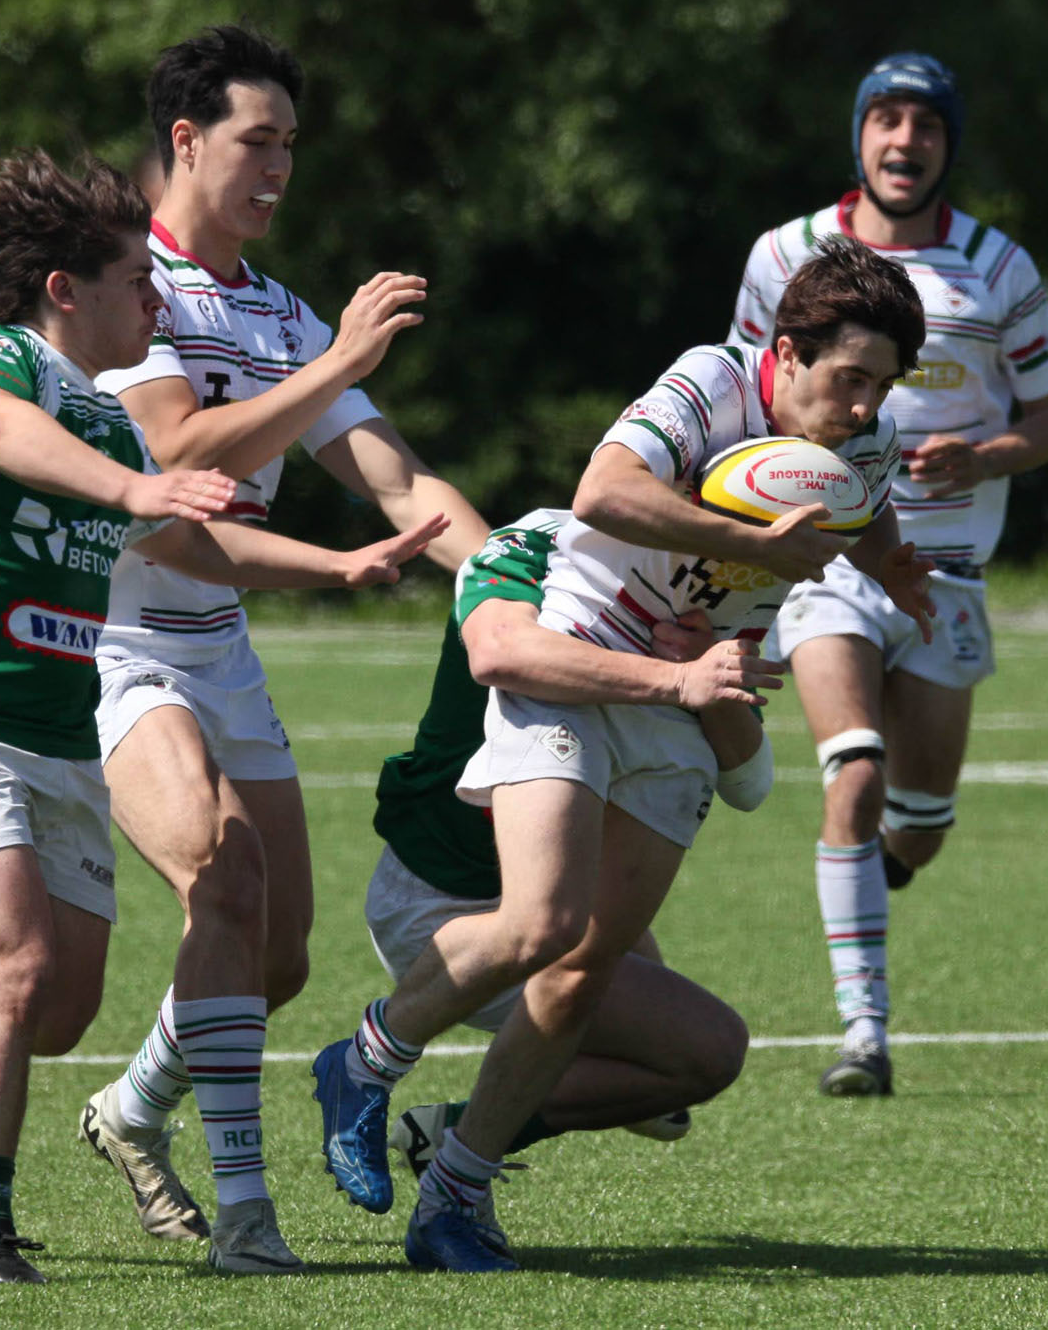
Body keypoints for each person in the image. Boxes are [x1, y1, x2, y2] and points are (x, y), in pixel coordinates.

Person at [0, 149, 443, 1284]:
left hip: (58, 741)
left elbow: (191, 544)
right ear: (64, 291)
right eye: (134, 282)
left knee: (56, 1007)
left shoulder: (112, 430)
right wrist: (132, 486)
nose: (157, 302)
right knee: (16, 963)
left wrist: (339, 566)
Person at [316, 236, 932, 1272]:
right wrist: (748, 546)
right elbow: (602, 491)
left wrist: (891, 565)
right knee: (543, 920)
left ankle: (457, 1192)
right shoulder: (710, 381)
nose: (864, 406)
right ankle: (365, 1061)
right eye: (849, 379)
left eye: (882, 385)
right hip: (580, 642)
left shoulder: (862, 441)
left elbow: (863, 508)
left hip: (686, 688)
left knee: (581, 970)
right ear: (787, 352)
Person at [72, 25, 489, 1269]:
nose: (279, 168)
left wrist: (515, 577)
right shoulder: (126, 280)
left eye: (291, 145)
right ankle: (246, 1217)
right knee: (225, 877)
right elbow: (177, 449)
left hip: (220, 643)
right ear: (186, 140)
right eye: (258, 140)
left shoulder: (276, 310)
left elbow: (396, 479)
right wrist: (342, 359)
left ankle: (130, 1108)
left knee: (278, 954)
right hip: (112, 641)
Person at [728, 53, 1048, 1094]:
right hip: (824, 558)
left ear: (946, 145)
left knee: (918, 823)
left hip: (945, 570)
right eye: (885, 118)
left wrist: (987, 456)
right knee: (856, 771)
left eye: (925, 123)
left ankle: (868, 879)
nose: (903, 139)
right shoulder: (783, 252)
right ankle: (864, 1034)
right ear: (859, 134)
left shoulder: (997, 266)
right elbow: (747, 391)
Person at [315, 508, 779, 1254]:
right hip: (443, 894)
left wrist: (709, 671)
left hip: (573, 910)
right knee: (547, 933)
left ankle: (454, 1150)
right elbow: (501, 651)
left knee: (697, 1059)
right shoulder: (537, 546)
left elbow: (750, 777)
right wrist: (674, 678)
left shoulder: (717, 591)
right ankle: (369, 1071)